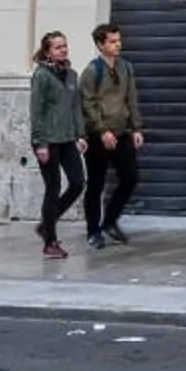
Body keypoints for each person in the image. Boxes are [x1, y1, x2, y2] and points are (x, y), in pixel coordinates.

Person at [80, 21, 145, 248]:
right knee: (96, 184)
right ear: (100, 45)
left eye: (119, 40)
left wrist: (136, 128)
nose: (118, 45)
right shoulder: (92, 71)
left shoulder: (126, 68)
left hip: (122, 132)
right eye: (112, 42)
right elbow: (88, 104)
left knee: (130, 177)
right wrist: (101, 131)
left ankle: (109, 221)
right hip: (98, 137)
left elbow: (131, 98)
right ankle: (93, 231)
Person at [29, 31, 86, 260]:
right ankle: (50, 243)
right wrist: (40, 143)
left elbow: (75, 108)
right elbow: (37, 111)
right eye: (57, 47)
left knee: (78, 183)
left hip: (67, 139)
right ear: (47, 52)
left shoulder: (72, 75)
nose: (63, 49)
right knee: (52, 188)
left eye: (64, 45)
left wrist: (80, 135)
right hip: (47, 141)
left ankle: (46, 224)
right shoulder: (41, 75)